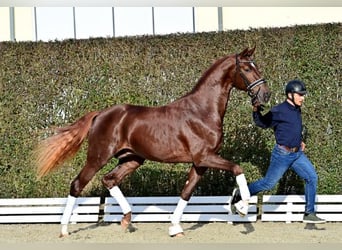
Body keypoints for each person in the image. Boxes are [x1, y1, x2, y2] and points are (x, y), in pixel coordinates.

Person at [230, 79, 325, 224]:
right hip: (283, 155)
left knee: (311, 177)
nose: (303, 97)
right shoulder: (279, 110)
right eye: (300, 95)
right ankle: (241, 193)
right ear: (290, 95)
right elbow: (262, 123)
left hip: (297, 154)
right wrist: (255, 111)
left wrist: (299, 140)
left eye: (303, 95)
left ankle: (309, 213)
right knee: (268, 183)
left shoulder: (296, 109)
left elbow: (292, 127)